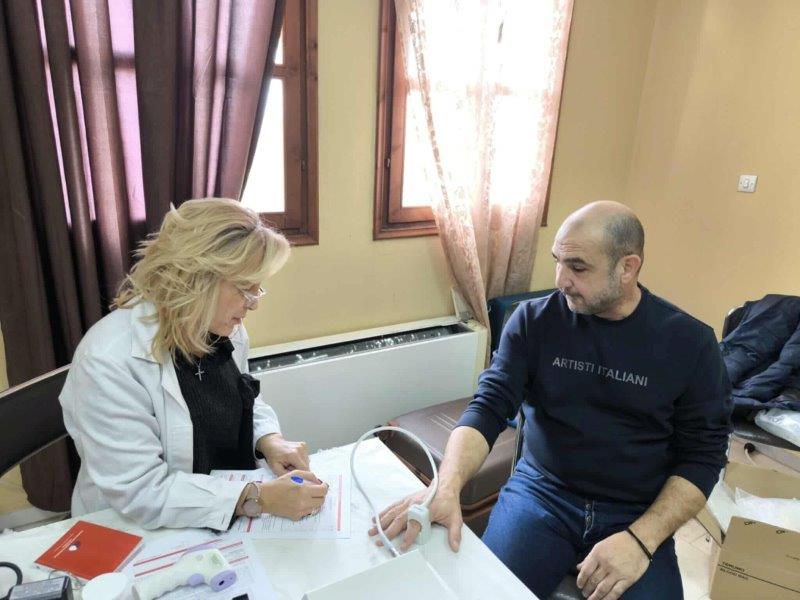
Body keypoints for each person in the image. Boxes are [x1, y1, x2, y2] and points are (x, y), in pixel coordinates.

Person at [371, 201, 732, 599]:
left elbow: (703, 456)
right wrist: (448, 485)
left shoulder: (690, 343)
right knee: (487, 592)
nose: (561, 280)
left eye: (578, 267)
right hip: (542, 494)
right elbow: (489, 406)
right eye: (558, 261)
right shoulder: (534, 321)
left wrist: (641, 540)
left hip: (637, 510)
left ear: (628, 268)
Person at [60, 198, 328, 530]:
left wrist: (268, 439)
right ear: (195, 279)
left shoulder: (224, 329)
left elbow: (244, 398)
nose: (253, 304)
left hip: (222, 508)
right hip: (136, 529)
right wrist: (257, 497)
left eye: (257, 287)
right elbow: (141, 491)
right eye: (244, 287)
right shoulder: (107, 361)